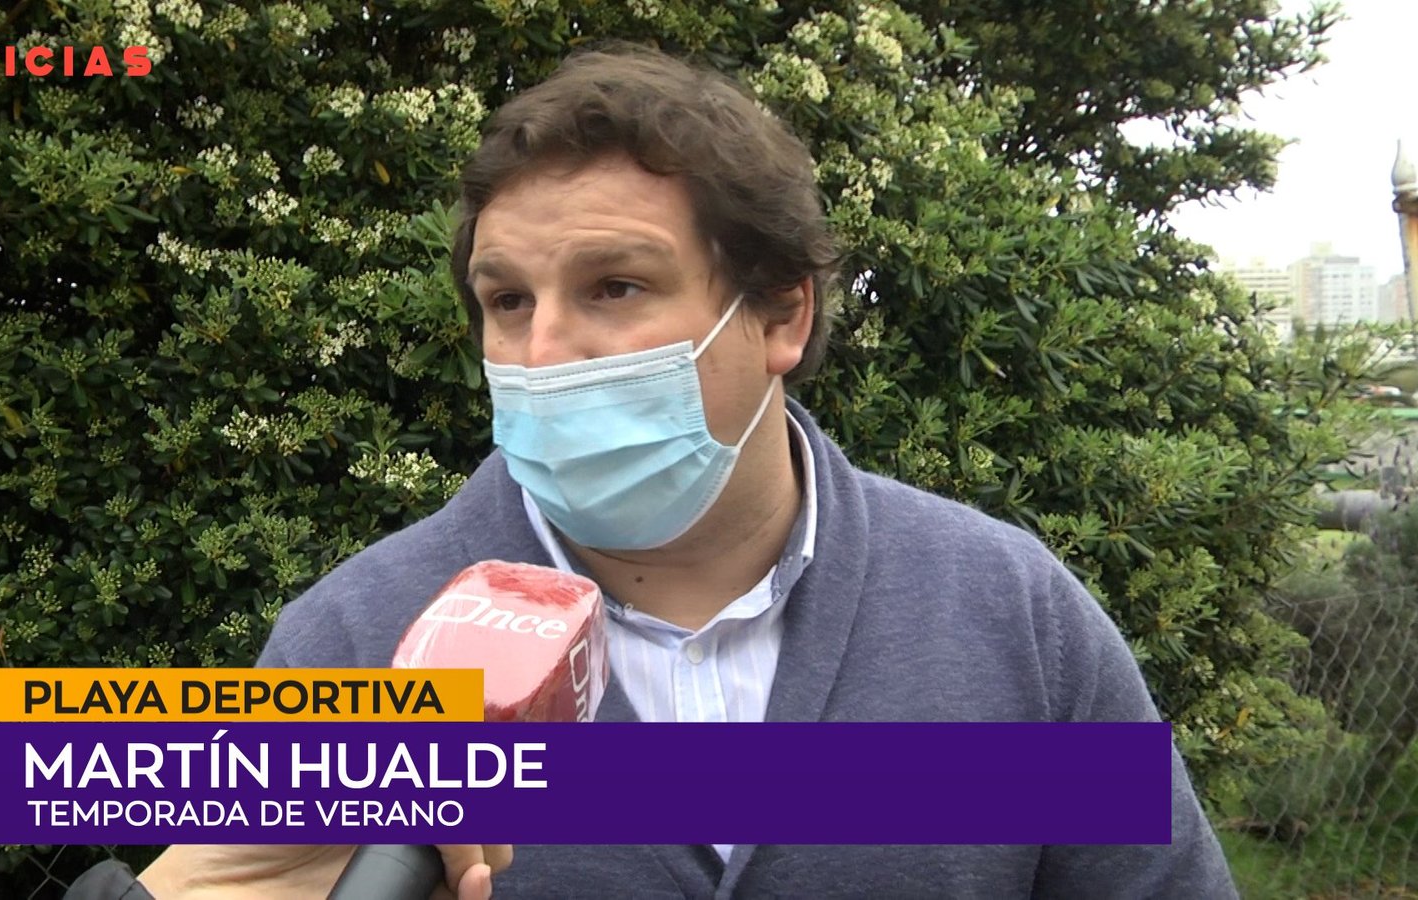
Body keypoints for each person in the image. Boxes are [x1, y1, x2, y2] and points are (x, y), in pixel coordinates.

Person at [131, 43, 1239, 898]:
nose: (541, 353)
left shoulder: (1009, 613)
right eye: (507, 300)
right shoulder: (354, 640)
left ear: (781, 314)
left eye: (614, 286)